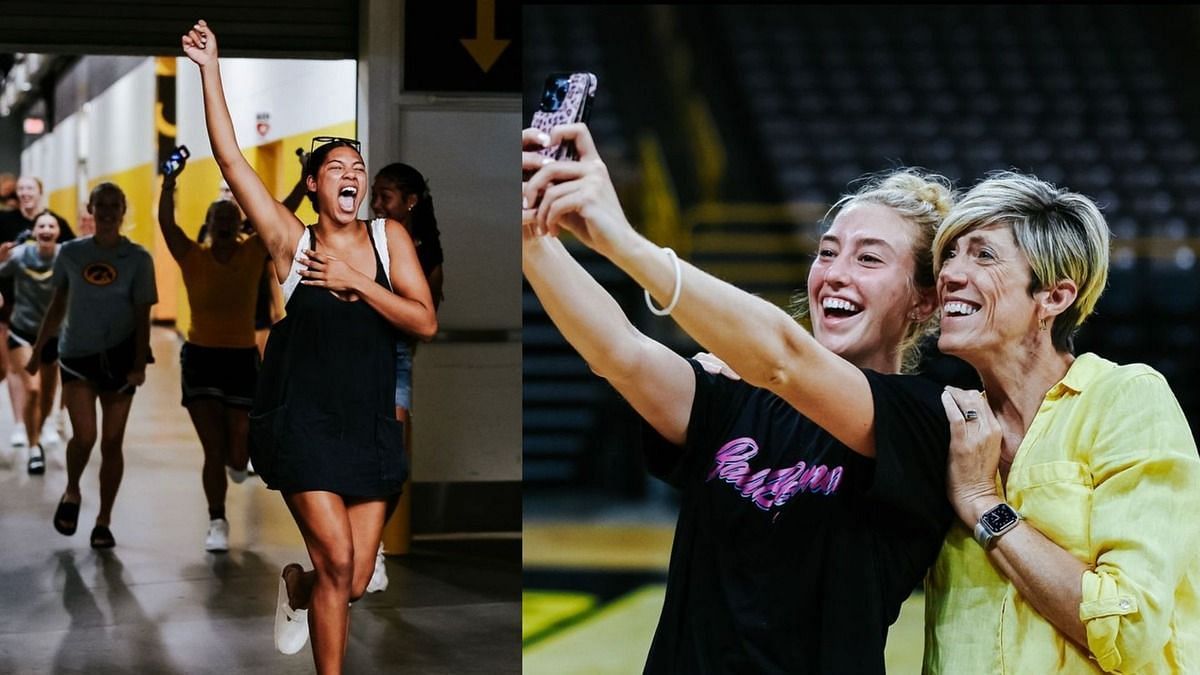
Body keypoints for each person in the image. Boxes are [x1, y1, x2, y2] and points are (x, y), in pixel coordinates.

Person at [523, 123, 955, 673]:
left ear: (923, 301)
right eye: (827, 252)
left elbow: (783, 358)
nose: (835, 274)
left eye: (869, 259)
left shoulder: (922, 418)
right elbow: (621, 353)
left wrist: (620, 238)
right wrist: (531, 237)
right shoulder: (739, 396)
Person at [184, 20, 437, 671]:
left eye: (359, 167)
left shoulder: (390, 241)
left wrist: (357, 282)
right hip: (305, 425)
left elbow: (423, 320)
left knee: (348, 580)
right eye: (338, 168)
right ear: (317, 186)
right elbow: (233, 159)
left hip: (372, 427)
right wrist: (211, 68)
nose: (351, 174)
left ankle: (296, 585)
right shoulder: (290, 244)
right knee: (340, 560)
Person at [922, 172, 1200, 673]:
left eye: (982, 255)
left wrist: (984, 504)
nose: (950, 273)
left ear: (1053, 297)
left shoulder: (1126, 399)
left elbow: (1127, 628)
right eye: (951, 253)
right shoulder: (952, 423)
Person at [35, 182, 157, 550]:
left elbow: (142, 314)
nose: (105, 211)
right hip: (77, 356)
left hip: (120, 359)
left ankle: (104, 520)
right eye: (99, 205)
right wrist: (39, 348)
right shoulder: (70, 253)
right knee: (85, 435)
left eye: (113, 205)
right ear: (90, 209)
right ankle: (72, 491)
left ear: (123, 211)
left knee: (112, 441)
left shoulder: (138, 259)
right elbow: (58, 303)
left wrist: (139, 362)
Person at [159, 158, 267, 553]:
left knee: (238, 450)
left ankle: (239, 465)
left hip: (240, 360)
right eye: (218, 214)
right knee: (213, 448)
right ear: (209, 222)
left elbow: (282, 211)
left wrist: (307, 181)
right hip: (201, 358)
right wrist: (168, 184)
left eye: (230, 214)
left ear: (240, 222)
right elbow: (168, 226)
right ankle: (217, 520)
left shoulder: (254, 252)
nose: (224, 220)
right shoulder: (193, 257)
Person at [365, 162, 445, 593]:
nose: (376, 203)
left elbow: (428, 314)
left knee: (392, 461)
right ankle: (358, 544)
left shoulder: (426, 250)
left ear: (409, 201)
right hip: (356, 353)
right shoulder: (363, 235)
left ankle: (371, 544)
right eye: (374, 194)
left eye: (385, 195)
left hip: (394, 355)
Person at [0, 176, 75, 450]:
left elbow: (74, 256)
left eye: (30, 188)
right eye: (21, 189)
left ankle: (42, 423)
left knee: (46, 375)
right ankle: (20, 424)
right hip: (9, 304)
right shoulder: (5, 221)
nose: (25, 193)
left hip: (48, 311)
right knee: (14, 369)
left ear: (40, 192)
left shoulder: (57, 224)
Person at [0, 212, 62, 475]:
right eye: (41, 226)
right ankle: (34, 448)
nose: (46, 229)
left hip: (54, 336)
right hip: (22, 332)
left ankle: (38, 427)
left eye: (51, 225)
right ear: (34, 232)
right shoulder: (20, 256)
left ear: (58, 231)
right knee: (33, 390)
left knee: (48, 395)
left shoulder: (65, 256)